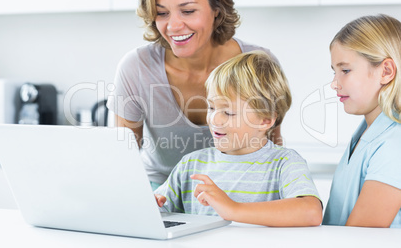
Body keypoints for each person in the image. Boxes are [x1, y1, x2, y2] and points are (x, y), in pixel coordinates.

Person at [106, 0, 282, 190]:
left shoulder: (257, 64)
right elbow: (123, 158)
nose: (173, 26)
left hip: (238, 188)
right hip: (161, 192)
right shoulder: (136, 67)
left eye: (188, 11)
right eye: (162, 13)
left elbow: (272, 147)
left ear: (217, 9)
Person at [154, 51, 323, 227]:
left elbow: (311, 212)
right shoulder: (191, 164)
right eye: (211, 108)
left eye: (228, 112)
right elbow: (160, 212)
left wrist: (233, 209)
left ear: (265, 120)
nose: (214, 119)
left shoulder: (284, 163)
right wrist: (152, 205)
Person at [323, 14, 401, 228]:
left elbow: (362, 237)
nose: (334, 84)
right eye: (334, 72)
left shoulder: (395, 143)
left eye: (345, 70)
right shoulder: (368, 132)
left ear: (386, 72)